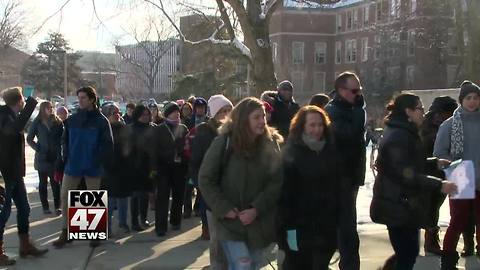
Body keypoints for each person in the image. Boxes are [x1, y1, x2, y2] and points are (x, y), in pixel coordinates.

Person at [370, 93, 457, 270]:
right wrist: (439, 185)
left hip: (403, 204)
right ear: (408, 111)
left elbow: (408, 164)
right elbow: (404, 173)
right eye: (419, 108)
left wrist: (434, 162)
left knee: (407, 254)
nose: (423, 113)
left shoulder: (404, 132)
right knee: (407, 255)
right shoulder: (399, 136)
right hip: (397, 204)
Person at [199, 97, 283, 269]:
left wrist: (256, 208)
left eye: (263, 117)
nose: (262, 121)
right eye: (256, 117)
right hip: (230, 224)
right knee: (242, 265)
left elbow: (276, 181)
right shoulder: (224, 142)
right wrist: (224, 207)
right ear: (244, 119)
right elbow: (206, 179)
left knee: (252, 265)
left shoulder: (270, 144)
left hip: (258, 223)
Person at [277, 105, 340, 270]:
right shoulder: (291, 153)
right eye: (312, 125)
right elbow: (284, 197)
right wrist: (285, 233)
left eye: (320, 125)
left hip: (326, 227)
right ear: (302, 126)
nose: (317, 129)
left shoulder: (331, 152)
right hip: (297, 228)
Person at [53, 86, 114, 248]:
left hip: (92, 166)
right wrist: (66, 156)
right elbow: (64, 140)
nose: (79, 101)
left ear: (92, 99)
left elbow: (108, 145)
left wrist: (97, 159)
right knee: (65, 196)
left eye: (83, 98)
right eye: (78, 98)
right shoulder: (72, 119)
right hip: (73, 165)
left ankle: (94, 234)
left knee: (93, 199)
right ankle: (66, 231)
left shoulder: (101, 121)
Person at [433, 81, 480, 269]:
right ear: (461, 100)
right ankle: (448, 259)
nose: (473, 102)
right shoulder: (450, 124)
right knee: (458, 221)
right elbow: (439, 152)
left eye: (476, 98)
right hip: (461, 177)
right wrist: (455, 169)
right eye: (468, 98)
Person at [0, 87, 48, 265]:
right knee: (3, 213)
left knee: (24, 208)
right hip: (5, 173)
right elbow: (13, 130)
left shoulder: (10, 116)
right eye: (23, 101)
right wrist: (31, 105)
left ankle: (25, 245)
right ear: (19, 101)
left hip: (13, 173)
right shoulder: (3, 116)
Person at [324, 71, 366, 270]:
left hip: (350, 176)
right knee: (346, 230)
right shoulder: (332, 111)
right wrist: (359, 111)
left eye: (360, 90)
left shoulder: (350, 109)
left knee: (346, 228)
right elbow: (350, 135)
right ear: (341, 91)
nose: (358, 95)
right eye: (354, 91)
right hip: (339, 178)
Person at [190, 94, 233, 268]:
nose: (227, 114)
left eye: (230, 110)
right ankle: (217, 265)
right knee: (217, 237)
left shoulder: (235, 131)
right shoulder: (205, 131)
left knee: (230, 236)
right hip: (212, 192)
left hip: (232, 192)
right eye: (223, 111)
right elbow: (196, 162)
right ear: (214, 113)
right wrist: (201, 186)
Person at [419, 96, 458, 256]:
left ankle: (430, 238)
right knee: (432, 206)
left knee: (431, 206)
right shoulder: (436, 126)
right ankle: (431, 240)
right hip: (433, 171)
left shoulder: (426, 123)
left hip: (433, 170)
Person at [151, 102, 189, 236]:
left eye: (178, 111)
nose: (177, 113)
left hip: (180, 168)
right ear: (167, 114)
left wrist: (186, 161)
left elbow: (188, 148)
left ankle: (176, 221)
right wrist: (154, 168)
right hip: (163, 169)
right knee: (162, 198)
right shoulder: (159, 129)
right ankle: (160, 226)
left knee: (179, 196)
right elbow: (154, 150)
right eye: (173, 111)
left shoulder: (183, 128)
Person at [27, 101, 63, 215]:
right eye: (48, 108)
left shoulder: (57, 122)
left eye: (52, 107)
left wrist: (59, 148)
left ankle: (58, 206)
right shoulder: (37, 122)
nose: (51, 109)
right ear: (43, 109)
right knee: (43, 183)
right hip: (42, 157)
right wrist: (38, 148)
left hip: (54, 156)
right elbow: (29, 138)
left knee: (55, 183)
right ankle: (45, 207)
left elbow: (63, 137)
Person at [101, 104, 131, 235]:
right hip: (108, 170)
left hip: (123, 169)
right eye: (114, 113)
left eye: (118, 112)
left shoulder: (125, 128)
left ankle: (123, 223)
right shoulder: (103, 130)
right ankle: (106, 227)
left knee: (123, 199)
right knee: (109, 199)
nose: (117, 115)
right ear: (107, 115)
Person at [126, 105, 155, 231]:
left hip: (149, 167)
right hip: (133, 167)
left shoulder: (153, 128)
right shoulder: (130, 129)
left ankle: (143, 218)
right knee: (135, 196)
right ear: (137, 115)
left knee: (145, 195)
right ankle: (134, 221)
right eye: (143, 114)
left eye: (147, 114)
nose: (146, 117)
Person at [183, 97, 209, 218]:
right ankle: (187, 209)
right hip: (190, 159)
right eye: (198, 108)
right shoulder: (188, 121)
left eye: (202, 108)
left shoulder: (209, 122)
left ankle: (197, 207)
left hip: (204, 159)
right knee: (188, 186)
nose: (200, 110)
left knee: (201, 187)